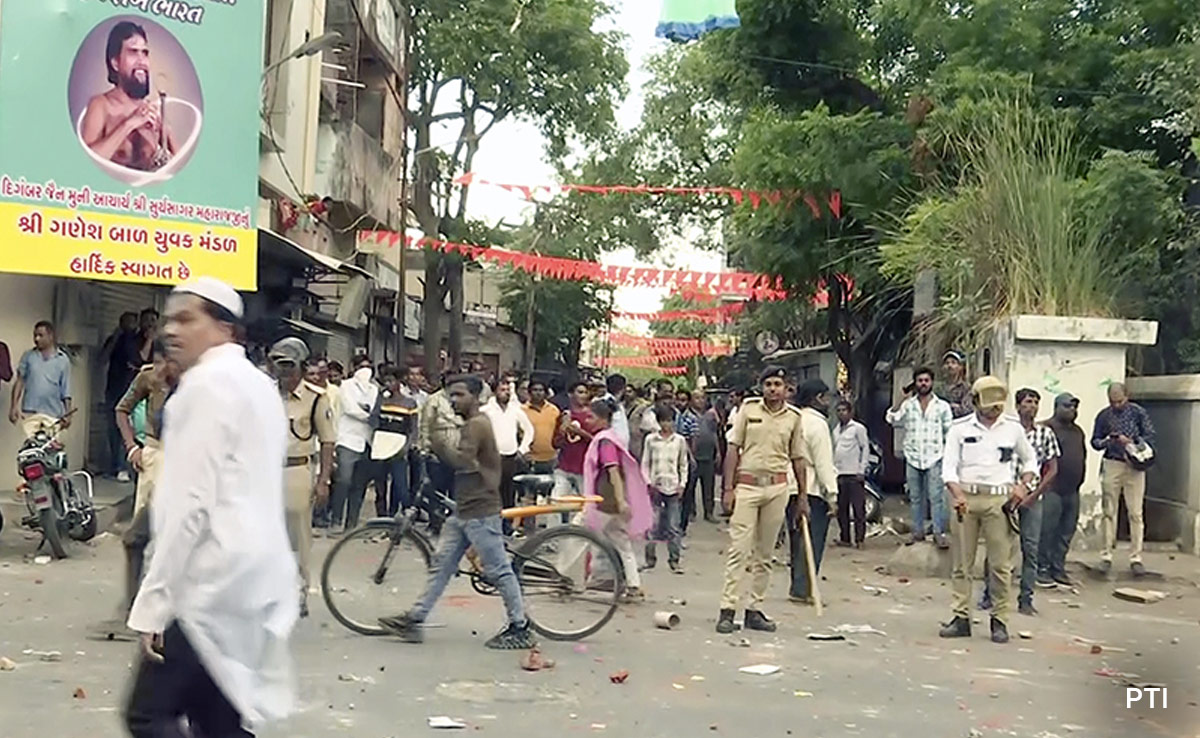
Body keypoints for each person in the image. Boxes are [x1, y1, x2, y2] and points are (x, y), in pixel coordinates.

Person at [123, 277, 297, 736]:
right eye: (168, 319)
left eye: (186, 318)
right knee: (216, 718)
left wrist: (154, 604)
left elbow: (188, 508)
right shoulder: (258, 386)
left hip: (208, 584)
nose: (171, 331)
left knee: (148, 714)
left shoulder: (203, 388)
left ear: (224, 328)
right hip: (254, 580)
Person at [378, 375, 536, 649]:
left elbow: (462, 461)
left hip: (480, 508)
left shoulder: (476, 425)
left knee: (499, 570)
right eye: (451, 395)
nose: (453, 400)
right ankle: (415, 619)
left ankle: (519, 626)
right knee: (442, 566)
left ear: (476, 398)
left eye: (460, 395)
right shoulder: (472, 424)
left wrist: (438, 443)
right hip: (464, 508)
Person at [91, 339, 179, 641]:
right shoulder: (147, 378)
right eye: (157, 362)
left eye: (167, 362)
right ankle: (134, 606)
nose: (161, 369)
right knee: (138, 535)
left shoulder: (194, 383)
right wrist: (132, 447)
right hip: (154, 456)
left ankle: (159, 611)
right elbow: (122, 409)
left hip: (186, 464)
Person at [939, 376, 1037, 645]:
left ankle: (1000, 620)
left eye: (998, 405)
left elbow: (1031, 461)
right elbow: (948, 467)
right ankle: (961, 618)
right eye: (989, 405)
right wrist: (956, 493)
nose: (995, 410)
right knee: (962, 563)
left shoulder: (1013, 429)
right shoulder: (959, 428)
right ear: (975, 402)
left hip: (999, 501)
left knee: (1000, 565)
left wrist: (1023, 486)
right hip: (965, 499)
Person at [717, 366, 807, 635]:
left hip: (777, 489)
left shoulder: (794, 417)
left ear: (786, 388)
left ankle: (754, 610)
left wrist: (802, 496)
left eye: (777, 384)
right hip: (747, 487)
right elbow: (733, 449)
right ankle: (727, 609)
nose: (772, 389)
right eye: (768, 384)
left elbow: (798, 458)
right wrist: (728, 489)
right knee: (738, 550)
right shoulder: (748, 409)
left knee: (765, 554)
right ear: (762, 387)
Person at [269, 338, 335, 618]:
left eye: (288, 364)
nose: (282, 371)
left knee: (298, 537)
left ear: (300, 365)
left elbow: (328, 441)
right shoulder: (266, 394)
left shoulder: (317, 398)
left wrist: (323, 481)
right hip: (267, 471)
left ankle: (298, 593)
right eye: (278, 363)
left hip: (298, 470)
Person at [980, 388, 1060, 616]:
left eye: (1035, 402)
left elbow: (1052, 469)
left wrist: (1033, 495)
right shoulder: (1007, 431)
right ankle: (989, 594)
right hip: (1004, 495)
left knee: (1031, 549)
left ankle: (1026, 598)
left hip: (1032, 499)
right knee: (997, 547)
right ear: (1018, 406)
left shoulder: (1045, 434)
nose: (1031, 406)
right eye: (1027, 402)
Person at [82, 20, 178, 171]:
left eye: (145, 53)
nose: (142, 61)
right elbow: (85, 162)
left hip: (147, 194)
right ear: (115, 63)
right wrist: (130, 124)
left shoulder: (151, 111)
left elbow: (182, 171)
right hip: (107, 193)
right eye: (133, 52)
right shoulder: (101, 105)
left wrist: (167, 133)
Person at [583, 397, 653, 600]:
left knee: (580, 534)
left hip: (606, 500)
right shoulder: (610, 437)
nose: (587, 421)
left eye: (591, 417)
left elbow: (613, 472)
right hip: (609, 500)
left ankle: (563, 574)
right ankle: (632, 584)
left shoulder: (605, 441)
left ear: (603, 419)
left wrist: (621, 501)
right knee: (621, 543)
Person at [1091, 382, 1155, 576]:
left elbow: (1150, 435)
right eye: (1112, 401)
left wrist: (1134, 442)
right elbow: (1095, 441)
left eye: (1119, 401)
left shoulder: (1138, 413)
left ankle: (1136, 557)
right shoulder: (1104, 415)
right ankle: (1106, 555)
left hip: (1134, 464)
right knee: (1109, 510)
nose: (1116, 405)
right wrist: (1108, 441)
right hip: (1112, 462)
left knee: (1135, 512)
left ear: (1127, 396)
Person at [886, 366, 954, 548]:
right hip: (913, 456)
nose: (923, 384)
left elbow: (949, 432)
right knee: (915, 497)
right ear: (915, 383)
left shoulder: (942, 406)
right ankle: (918, 532)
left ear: (932, 382)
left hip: (935, 456)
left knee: (936, 497)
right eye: (919, 381)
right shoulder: (908, 405)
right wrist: (902, 396)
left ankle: (938, 533)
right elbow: (891, 418)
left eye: (926, 380)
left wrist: (949, 458)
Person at [788, 379, 839, 605]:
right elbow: (823, 463)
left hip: (790, 486)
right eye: (826, 398)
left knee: (797, 539)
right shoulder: (818, 424)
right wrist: (832, 495)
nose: (829, 403)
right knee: (813, 539)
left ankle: (798, 585)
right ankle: (804, 588)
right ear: (817, 398)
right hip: (811, 488)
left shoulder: (794, 419)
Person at [1039, 393, 1086, 587]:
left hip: (1072, 489)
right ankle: (1042, 568)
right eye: (1067, 406)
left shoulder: (1078, 432)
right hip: (1052, 488)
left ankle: (1058, 568)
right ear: (1056, 407)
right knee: (1047, 530)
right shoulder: (1046, 428)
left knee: (1067, 531)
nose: (1072, 410)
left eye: (1074, 407)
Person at [329, 353, 379, 533]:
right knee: (343, 480)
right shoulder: (345, 386)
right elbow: (351, 409)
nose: (365, 370)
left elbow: (375, 408)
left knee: (359, 484)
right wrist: (369, 415)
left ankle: (352, 524)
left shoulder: (374, 389)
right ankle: (336, 520)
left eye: (368, 366)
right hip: (347, 439)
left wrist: (369, 413)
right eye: (361, 367)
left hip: (367, 441)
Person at [482, 377, 534, 533]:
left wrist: (522, 449)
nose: (505, 393)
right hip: (491, 458)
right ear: (494, 391)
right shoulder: (486, 411)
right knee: (490, 493)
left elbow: (529, 430)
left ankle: (506, 527)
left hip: (510, 458)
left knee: (508, 494)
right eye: (502, 390)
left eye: (508, 390)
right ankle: (489, 526)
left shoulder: (515, 410)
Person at [641, 405, 689, 573]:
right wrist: (648, 482)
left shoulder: (679, 441)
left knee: (673, 526)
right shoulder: (651, 440)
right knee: (652, 525)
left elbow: (683, 464)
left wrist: (682, 484)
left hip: (673, 487)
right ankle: (650, 559)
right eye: (663, 421)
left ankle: (674, 560)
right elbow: (645, 463)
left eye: (669, 421)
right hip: (656, 486)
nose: (666, 424)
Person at [9, 320, 72, 438]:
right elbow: (19, 381)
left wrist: (68, 414)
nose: (37, 339)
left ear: (50, 336)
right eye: (35, 335)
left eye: (40, 335)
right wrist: (14, 406)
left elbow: (66, 390)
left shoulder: (63, 360)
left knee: (49, 449)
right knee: (31, 449)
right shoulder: (28, 356)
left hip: (52, 414)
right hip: (30, 412)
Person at [370, 368, 419, 518]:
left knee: (400, 484)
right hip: (381, 446)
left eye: (391, 381)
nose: (388, 385)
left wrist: (407, 446)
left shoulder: (409, 403)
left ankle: (399, 512)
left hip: (399, 446)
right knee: (380, 485)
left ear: (399, 383)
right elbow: (373, 421)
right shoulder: (382, 401)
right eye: (386, 382)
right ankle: (382, 515)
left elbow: (413, 428)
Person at [103, 311, 142, 482]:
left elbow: (139, 361)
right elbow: (103, 357)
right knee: (112, 429)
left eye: (133, 323)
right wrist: (115, 337)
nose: (130, 327)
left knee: (127, 428)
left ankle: (122, 466)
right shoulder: (116, 339)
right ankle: (113, 465)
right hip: (113, 388)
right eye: (127, 323)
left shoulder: (136, 341)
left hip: (132, 391)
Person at [552, 381, 600, 503]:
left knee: (587, 504)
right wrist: (562, 432)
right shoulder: (564, 416)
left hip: (585, 468)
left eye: (585, 392)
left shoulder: (593, 416)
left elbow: (598, 441)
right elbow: (555, 443)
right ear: (570, 394)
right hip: (564, 467)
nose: (583, 395)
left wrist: (580, 433)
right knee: (556, 501)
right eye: (580, 392)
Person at [832, 399, 870, 547]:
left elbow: (865, 448)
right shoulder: (835, 430)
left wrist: (862, 470)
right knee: (842, 509)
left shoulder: (858, 428)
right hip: (839, 473)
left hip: (854, 473)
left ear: (850, 412)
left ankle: (860, 539)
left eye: (844, 410)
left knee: (858, 508)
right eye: (839, 410)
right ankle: (845, 538)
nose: (841, 413)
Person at [691, 392, 722, 525]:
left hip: (708, 455)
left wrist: (718, 452)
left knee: (709, 486)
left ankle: (709, 512)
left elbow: (714, 433)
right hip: (694, 456)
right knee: (690, 486)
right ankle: (691, 512)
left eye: (702, 398)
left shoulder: (710, 416)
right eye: (697, 398)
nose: (700, 401)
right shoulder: (688, 415)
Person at [522, 379, 560, 476]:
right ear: (529, 392)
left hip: (551, 459)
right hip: (530, 460)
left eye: (541, 390)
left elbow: (559, 432)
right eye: (535, 390)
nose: (538, 393)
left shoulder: (554, 410)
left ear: (546, 393)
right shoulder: (521, 411)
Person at [942, 350, 973, 418]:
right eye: (947, 363)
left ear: (960, 367)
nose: (949, 366)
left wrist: (948, 407)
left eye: (953, 363)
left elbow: (967, 410)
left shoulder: (966, 388)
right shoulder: (938, 388)